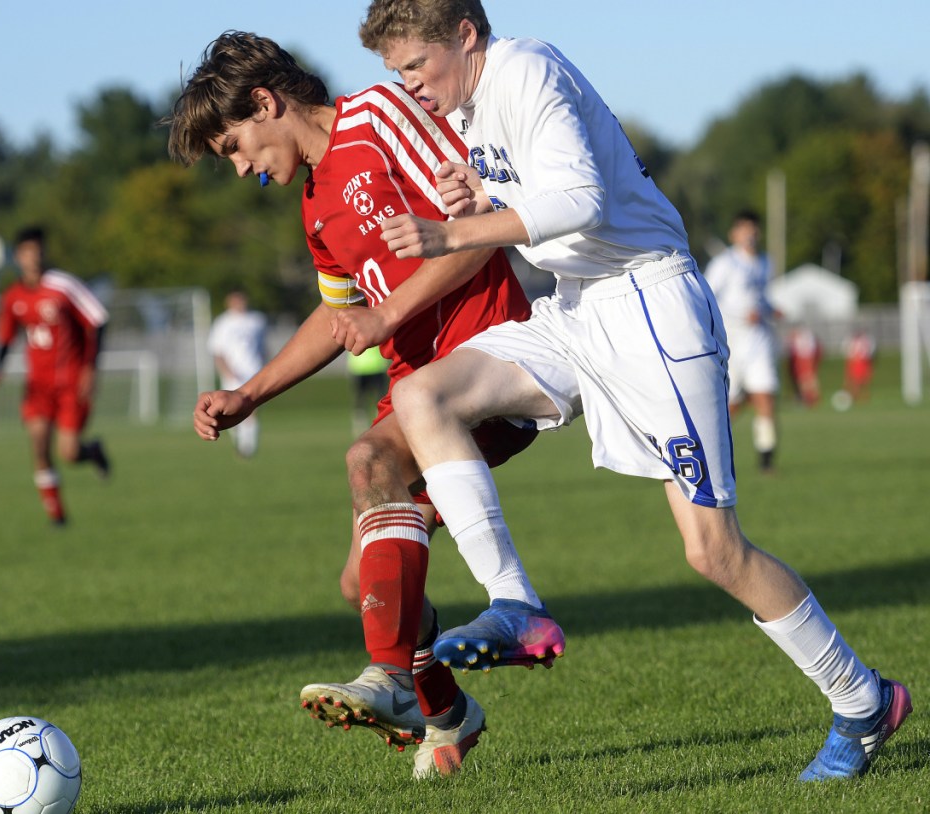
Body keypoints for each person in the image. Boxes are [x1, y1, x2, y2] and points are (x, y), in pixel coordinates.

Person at [359, 0, 911, 782]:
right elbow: (542, 194)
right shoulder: (478, 103)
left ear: (466, 36)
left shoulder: (526, 70)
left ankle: (863, 700)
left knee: (713, 550)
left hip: (650, 307)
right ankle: (515, 603)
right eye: (396, 75)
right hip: (578, 307)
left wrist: (454, 232)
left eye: (416, 65)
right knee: (424, 400)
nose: (411, 85)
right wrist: (478, 192)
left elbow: (583, 201)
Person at [165, 31, 563, 779]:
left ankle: (391, 682)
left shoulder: (377, 116)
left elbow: (476, 232)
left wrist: (385, 319)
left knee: (368, 459)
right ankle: (445, 709)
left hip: (488, 360)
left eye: (237, 148)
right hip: (417, 387)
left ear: (265, 101)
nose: (244, 168)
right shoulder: (316, 203)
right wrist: (251, 394)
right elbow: (335, 313)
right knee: (364, 584)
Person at [0, 225, 110, 526]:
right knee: (39, 445)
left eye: (38, 251)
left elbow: (99, 320)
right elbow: (6, 336)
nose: (34, 257)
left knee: (68, 453)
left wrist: (90, 368)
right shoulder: (13, 296)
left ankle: (91, 451)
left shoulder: (62, 285)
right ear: (18, 256)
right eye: (28, 252)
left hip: (71, 384)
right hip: (38, 386)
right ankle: (57, 515)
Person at [704, 210, 782, 470]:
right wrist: (739, 315)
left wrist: (772, 309)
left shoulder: (763, 262)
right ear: (734, 234)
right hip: (733, 340)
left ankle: (766, 460)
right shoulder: (724, 264)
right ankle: (707, 447)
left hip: (759, 338)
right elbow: (706, 297)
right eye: (744, 229)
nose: (750, 234)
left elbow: (759, 298)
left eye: (754, 229)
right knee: (731, 403)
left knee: (765, 396)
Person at [207, 289, 268, 457]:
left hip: (254, 371)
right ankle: (240, 442)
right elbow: (217, 352)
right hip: (233, 373)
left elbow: (263, 348)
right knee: (232, 410)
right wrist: (228, 372)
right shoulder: (223, 322)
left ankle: (248, 446)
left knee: (252, 408)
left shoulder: (257, 320)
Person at [346, 344, 390, 437]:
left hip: (375, 367)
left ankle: (378, 426)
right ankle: (360, 427)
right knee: (360, 401)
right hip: (360, 368)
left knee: (380, 401)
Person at [786, 325, 822, 408]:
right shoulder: (798, 338)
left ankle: (812, 398)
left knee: (808, 379)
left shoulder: (805, 337)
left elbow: (811, 349)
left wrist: (811, 362)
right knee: (803, 380)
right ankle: (806, 399)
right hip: (800, 360)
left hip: (806, 359)